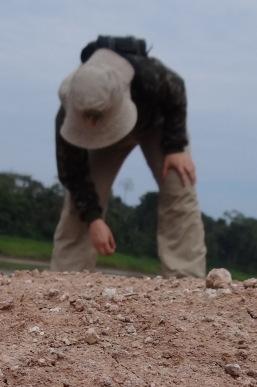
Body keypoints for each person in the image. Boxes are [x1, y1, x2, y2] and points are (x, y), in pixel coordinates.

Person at [51, 36, 206, 279]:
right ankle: (65, 280)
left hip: (157, 125)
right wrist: (94, 220)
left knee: (179, 186)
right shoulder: (68, 116)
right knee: (78, 206)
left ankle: (185, 281)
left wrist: (176, 147)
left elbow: (176, 91)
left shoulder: (147, 76)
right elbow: (73, 174)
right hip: (100, 135)